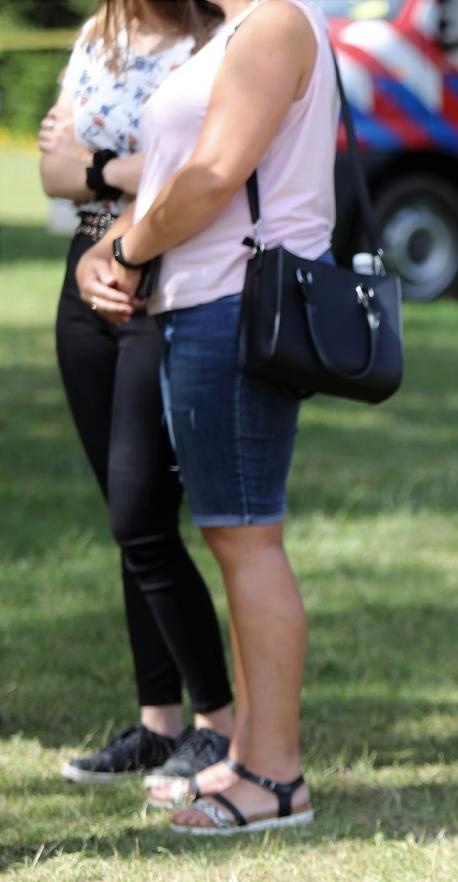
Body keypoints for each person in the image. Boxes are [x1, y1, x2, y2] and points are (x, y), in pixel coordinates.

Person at [78, 0, 339, 834]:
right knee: (234, 539)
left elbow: (214, 174)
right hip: (207, 303)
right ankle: (250, 755)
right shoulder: (233, 30)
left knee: (247, 537)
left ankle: (275, 776)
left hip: (235, 304)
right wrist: (106, 248)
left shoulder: (272, 24)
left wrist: (123, 250)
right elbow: (176, 175)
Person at [40, 0, 238, 795]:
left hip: (161, 277)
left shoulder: (216, 39)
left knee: (140, 512)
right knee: (131, 521)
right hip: (80, 277)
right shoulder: (100, 36)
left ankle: (216, 722)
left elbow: (198, 173)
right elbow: (51, 171)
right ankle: (159, 721)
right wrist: (123, 169)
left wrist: (104, 168)